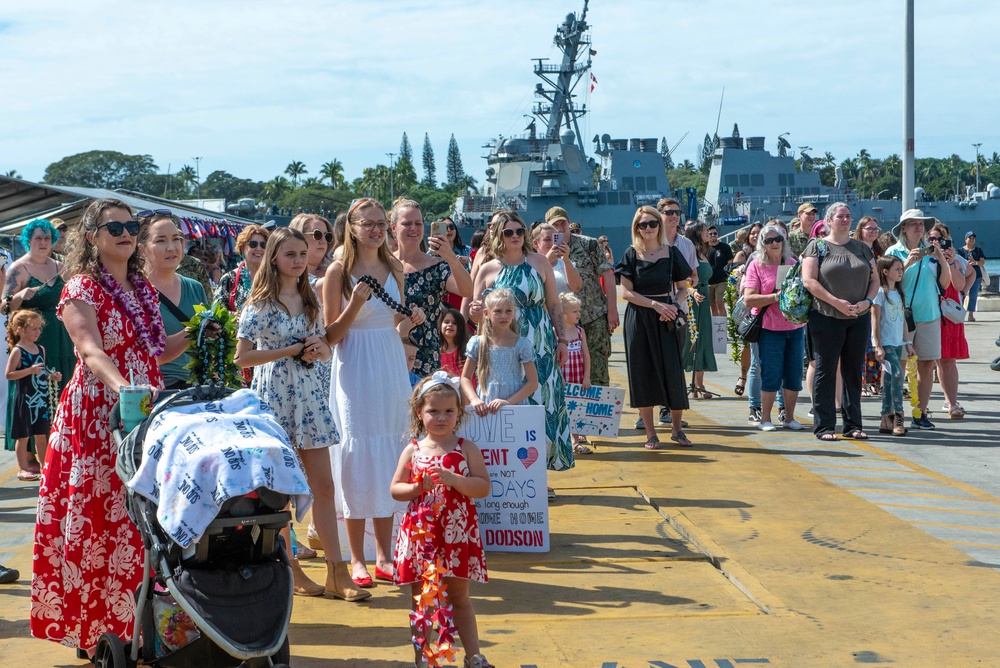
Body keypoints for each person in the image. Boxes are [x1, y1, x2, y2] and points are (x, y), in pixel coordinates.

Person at [31, 198, 188, 658]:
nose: (125, 232)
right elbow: (90, 350)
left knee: (138, 521)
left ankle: (137, 623)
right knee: (98, 520)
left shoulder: (139, 287)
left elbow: (154, 354)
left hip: (144, 409)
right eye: (113, 226)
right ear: (93, 237)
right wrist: (127, 390)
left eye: (131, 225)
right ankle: (93, 629)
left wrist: (198, 336)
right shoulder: (81, 286)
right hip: (100, 414)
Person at [236, 227, 369, 602]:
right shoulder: (259, 304)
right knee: (279, 492)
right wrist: (290, 350)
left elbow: (325, 347)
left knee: (324, 487)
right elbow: (242, 357)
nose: (297, 260)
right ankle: (291, 569)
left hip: (308, 396)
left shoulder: (310, 300)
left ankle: (336, 571)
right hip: (274, 396)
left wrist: (314, 349)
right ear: (274, 258)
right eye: (290, 254)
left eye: (301, 253)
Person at [324, 197, 425, 588]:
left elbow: (394, 320)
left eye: (381, 223)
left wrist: (409, 321)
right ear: (351, 227)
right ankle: (357, 559)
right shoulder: (338, 271)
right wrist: (355, 304)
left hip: (389, 361)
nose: (376, 230)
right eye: (367, 223)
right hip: (354, 365)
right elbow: (332, 335)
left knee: (390, 453)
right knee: (357, 454)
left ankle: (385, 554)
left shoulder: (394, 266)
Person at [390, 373, 491, 668]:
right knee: (422, 599)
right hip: (422, 537)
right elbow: (396, 489)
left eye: (449, 411)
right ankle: (422, 658)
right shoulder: (414, 449)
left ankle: (474, 655)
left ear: (458, 413)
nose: (441, 417)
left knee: (459, 597)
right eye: (433, 411)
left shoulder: (466, 448)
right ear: (419, 413)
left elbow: (483, 487)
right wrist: (418, 488)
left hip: (457, 533)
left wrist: (453, 479)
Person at [464, 211, 572, 472]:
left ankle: (540, 473)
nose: (515, 236)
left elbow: (554, 304)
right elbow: (475, 309)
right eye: (508, 232)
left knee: (542, 400)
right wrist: (476, 313)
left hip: (540, 340)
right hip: (501, 345)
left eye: (519, 231)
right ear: (498, 235)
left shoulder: (539, 262)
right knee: (506, 398)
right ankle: (508, 473)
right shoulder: (488, 268)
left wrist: (562, 340)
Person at [616, 206, 693, 449]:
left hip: (666, 318)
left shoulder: (670, 253)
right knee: (642, 373)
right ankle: (650, 433)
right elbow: (626, 292)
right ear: (636, 228)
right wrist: (655, 305)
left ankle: (677, 429)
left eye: (652, 223)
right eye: (642, 224)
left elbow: (683, 287)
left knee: (673, 370)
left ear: (659, 226)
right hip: (639, 317)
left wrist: (673, 305)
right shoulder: (630, 254)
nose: (648, 228)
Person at [801, 202, 878, 441]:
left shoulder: (862, 248)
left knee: (853, 372)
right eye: (840, 216)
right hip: (826, 316)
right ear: (829, 221)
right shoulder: (817, 246)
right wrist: (836, 302)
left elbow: (875, 280)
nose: (845, 220)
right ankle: (824, 426)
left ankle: (853, 425)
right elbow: (809, 281)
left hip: (858, 317)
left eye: (848, 216)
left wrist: (867, 301)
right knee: (825, 370)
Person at [2, 218, 75, 460]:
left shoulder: (60, 266)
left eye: (47, 238)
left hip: (63, 338)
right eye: (38, 238)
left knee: (61, 386)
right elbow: (4, 308)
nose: (43, 242)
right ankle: (32, 454)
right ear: (28, 241)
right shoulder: (18, 269)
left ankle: (60, 445)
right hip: (33, 342)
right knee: (35, 394)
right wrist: (19, 296)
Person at [884, 209, 962, 430]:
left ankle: (921, 412)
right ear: (903, 228)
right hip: (900, 316)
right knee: (897, 365)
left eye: (922, 224)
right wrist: (906, 263)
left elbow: (945, 284)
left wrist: (941, 258)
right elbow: (886, 282)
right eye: (913, 224)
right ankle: (893, 414)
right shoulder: (893, 251)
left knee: (926, 365)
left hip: (930, 316)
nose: (919, 227)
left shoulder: (932, 253)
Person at [392, 199, 473, 378]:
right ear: (393, 228)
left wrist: (449, 257)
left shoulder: (436, 265)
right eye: (406, 223)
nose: (414, 228)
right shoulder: (384, 265)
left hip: (426, 355)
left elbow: (467, 290)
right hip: (389, 349)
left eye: (418, 223)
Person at [544, 207, 618, 388]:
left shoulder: (589, 245)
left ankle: (599, 414)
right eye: (555, 226)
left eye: (563, 223)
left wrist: (612, 310)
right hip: (561, 324)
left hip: (593, 317)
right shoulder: (543, 251)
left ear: (569, 222)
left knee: (598, 370)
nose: (561, 228)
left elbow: (607, 275)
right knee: (566, 372)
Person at [742, 224, 805, 431]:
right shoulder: (756, 266)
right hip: (769, 328)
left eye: (778, 239)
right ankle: (765, 419)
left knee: (794, 373)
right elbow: (749, 299)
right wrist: (775, 296)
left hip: (794, 326)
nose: (775, 243)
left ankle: (789, 417)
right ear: (762, 245)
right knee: (770, 372)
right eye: (769, 240)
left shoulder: (793, 263)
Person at [140, 212, 208, 390]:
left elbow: (204, 346)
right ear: (141, 248)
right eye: (161, 240)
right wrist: (193, 327)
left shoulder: (195, 287)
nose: (171, 247)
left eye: (176, 239)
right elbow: (153, 352)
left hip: (194, 389)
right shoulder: (134, 291)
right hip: (154, 390)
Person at [461, 288, 539, 416]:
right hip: (486, 406)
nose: (504, 316)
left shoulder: (522, 344)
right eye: (498, 311)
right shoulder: (478, 343)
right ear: (486, 313)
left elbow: (533, 383)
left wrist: (508, 402)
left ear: (514, 313)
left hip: (515, 407)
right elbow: (465, 377)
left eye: (508, 311)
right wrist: (474, 399)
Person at [5, 309, 61, 480]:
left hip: (40, 399)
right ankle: (23, 468)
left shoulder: (40, 349)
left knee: (41, 435)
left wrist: (52, 376)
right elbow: (9, 374)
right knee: (22, 437)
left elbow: (41, 372)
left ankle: (45, 466)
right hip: (24, 398)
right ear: (20, 330)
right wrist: (29, 370)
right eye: (33, 329)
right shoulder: (18, 351)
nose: (38, 332)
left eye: (39, 328)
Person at [930, 224, 970, 419]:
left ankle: (951, 403)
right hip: (928, 309)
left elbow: (962, 283)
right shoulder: (924, 259)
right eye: (931, 240)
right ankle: (921, 404)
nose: (936, 243)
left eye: (939, 240)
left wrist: (951, 262)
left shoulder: (955, 259)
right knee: (928, 359)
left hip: (949, 313)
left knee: (948, 359)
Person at [871, 255, 911, 436]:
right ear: (886, 272)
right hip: (885, 343)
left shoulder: (900, 294)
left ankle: (885, 418)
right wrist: (877, 345)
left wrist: (907, 342)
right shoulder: (880, 294)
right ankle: (898, 416)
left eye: (901, 269)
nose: (900, 272)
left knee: (888, 382)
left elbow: (902, 320)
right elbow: (876, 321)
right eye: (897, 269)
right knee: (897, 374)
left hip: (897, 342)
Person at [682, 223, 718, 398]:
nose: (708, 234)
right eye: (704, 231)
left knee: (703, 338)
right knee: (690, 339)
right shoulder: (690, 252)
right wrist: (692, 291)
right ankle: (682, 382)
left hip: (704, 297)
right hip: (691, 298)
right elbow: (681, 280)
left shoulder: (705, 253)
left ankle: (699, 384)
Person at [852, 216, 885, 398]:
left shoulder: (879, 252)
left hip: (878, 300)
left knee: (876, 341)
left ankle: (874, 382)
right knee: (861, 344)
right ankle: (862, 382)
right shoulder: (854, 249)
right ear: (861, 230)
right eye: (869, 228)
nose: (872, 232)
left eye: (875, 229)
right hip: (859, 299)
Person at [559, 292, 593, 454]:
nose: (578, 314)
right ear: (564, 314)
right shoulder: (556, 333)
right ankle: (562, 440)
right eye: (574, 311)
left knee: (577, 409)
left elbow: (586, 355)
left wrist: (586, 376)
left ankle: (575, 441)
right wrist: (559, 376)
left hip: (578, 378)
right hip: (564, 378)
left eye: (579, 311)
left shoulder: (580, 332)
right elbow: (554, 357)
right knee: (563, 409)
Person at [215, 224, 271, 315]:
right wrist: (236, 316)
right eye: (253, 244)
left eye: (263, 245)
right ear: (242, 247)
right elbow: (217, 312)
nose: (259, 248)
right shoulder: (229, 279)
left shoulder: (275, 277)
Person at [530, 222, 581, 295]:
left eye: (555, 238)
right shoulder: (530, 263)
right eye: (547, 239)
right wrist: (547, 261)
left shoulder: (564, 262)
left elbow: (576, 287)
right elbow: (531, 288)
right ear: (535, 243)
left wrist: (566, 260)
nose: (552, 243)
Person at [958, 231, 986, 321]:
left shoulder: (978, 250)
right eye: (970, 238)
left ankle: (971, 314)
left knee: (973, 295)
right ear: (965, 239)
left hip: (976, 276)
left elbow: (982, 262)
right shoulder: (960, 251)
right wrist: (967, 263)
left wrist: (975, 263)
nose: (972, 240)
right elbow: (958, 262)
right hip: (963, 276)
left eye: (973, 238)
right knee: (962, 294)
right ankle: (959, 312)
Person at [706, 225, 733, 316]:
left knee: (720, 303)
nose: (713, 235)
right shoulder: (704, 249)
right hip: (709, 282)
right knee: (712, 305)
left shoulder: (725, 247)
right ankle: (715, 326)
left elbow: (730, 263)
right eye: (710, 234)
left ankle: (722, 325)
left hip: (722, 280)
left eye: (715, 233)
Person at [438, 307, 468, 377]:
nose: (450, 325)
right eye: (446, 322)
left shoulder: (466, 350)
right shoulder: (435, 351)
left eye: (454, 323)